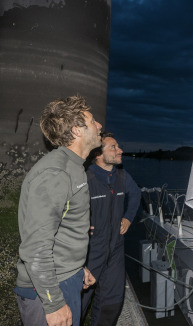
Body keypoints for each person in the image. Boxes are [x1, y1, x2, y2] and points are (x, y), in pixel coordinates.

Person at [15, 95, 101, 326]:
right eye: (93, 122)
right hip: (48, 290)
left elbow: (61, 229)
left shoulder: (73, 168)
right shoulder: (56, 173)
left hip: (65, 278)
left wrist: (77, 268)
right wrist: (53, 304)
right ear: (77, 131)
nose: (99, 126)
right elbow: (36, 247)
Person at [81, 132, 141, 325]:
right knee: (78, 303)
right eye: (113, 147)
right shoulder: (86, 178)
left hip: (115, 250)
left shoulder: (122, 177)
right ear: (98, 154)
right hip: (90, 252)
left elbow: (136, 194)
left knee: (112, 302)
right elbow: (64, 207)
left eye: (118, 146)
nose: (120, 150)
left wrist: (128, 217)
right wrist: (80, 225)